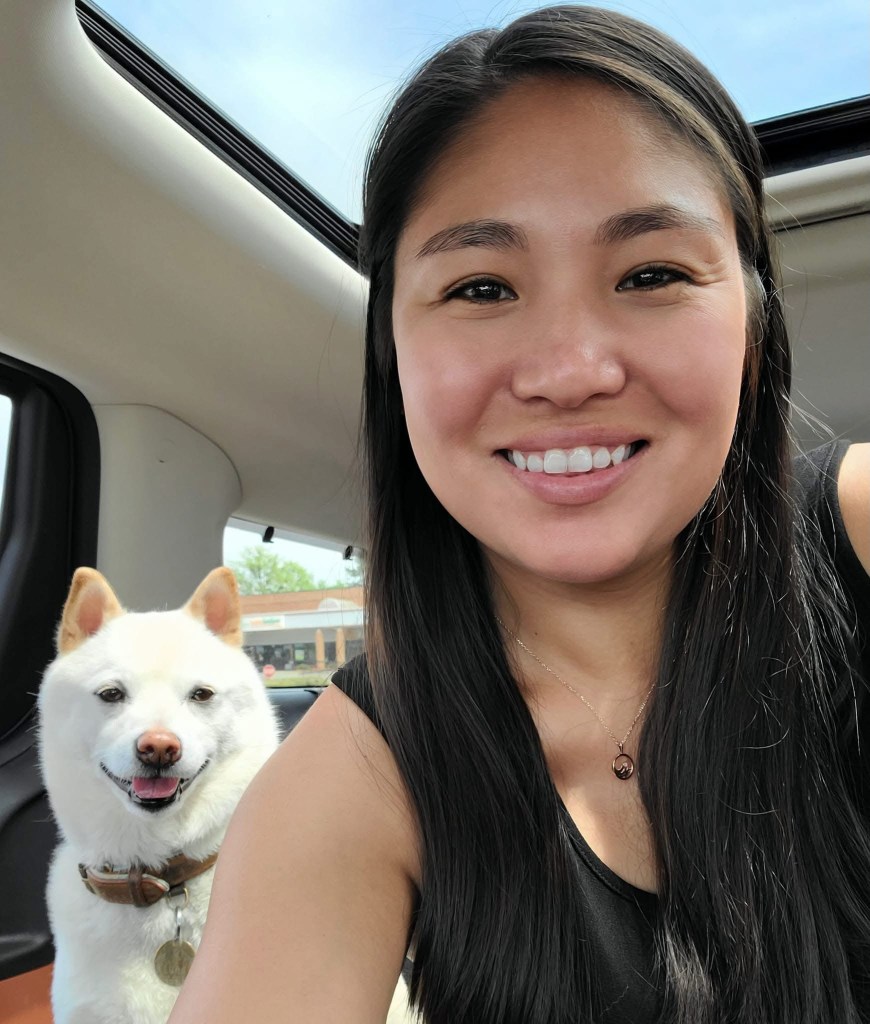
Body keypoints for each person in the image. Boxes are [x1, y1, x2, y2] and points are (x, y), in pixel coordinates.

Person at [168, 6, 870, 1023]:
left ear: (753, 329)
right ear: (394, 356)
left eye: (652, 274)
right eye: (482, 287)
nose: (570, 372)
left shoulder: (855, 525)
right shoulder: (353, 773)